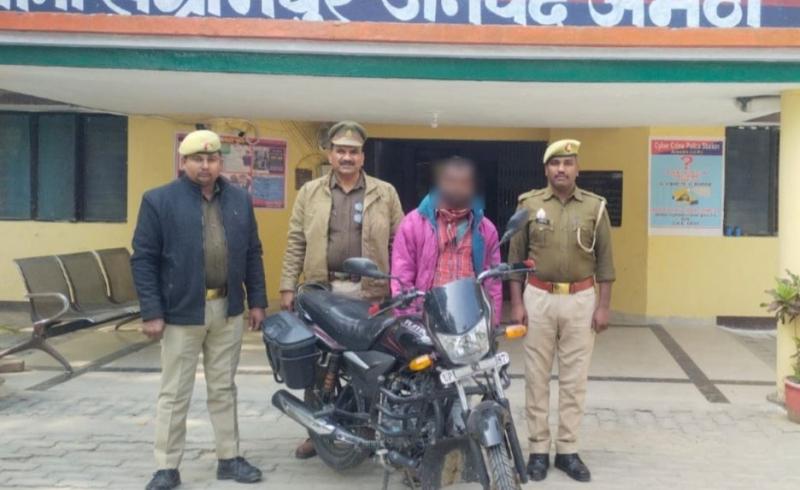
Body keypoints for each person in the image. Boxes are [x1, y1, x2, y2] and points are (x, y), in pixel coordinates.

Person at [132, 130, 267, 490]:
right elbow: (143, 260)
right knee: (175, 392)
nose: (205, 166)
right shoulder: (159, 200)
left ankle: (229, 458)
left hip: (228, 309)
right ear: (184, 162)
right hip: (180, 313)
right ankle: (166, 467)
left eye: (211, 159)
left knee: (224, 388)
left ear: (221, 162)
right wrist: (151, 311)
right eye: (197, 159)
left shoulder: (239, 199)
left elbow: (253, 252)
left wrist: (257, 301)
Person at [279, 120, 404, 459]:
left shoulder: (385, 193)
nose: (347, 157)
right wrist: (288, 286)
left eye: (353, 151)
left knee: (370, 365)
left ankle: (365, 428)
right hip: (322, 290)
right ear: (330, 154)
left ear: (363, 156)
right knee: (321, 366)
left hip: (370, 293)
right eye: (340, 151)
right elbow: (296, 241)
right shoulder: (310, 192)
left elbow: (400, 243)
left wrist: (399, 288)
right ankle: (315, 431)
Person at [507, 139, 615, 483]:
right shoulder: (529, 204)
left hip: (582, 300)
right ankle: (538, 450)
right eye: (555, 163)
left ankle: (568, 450)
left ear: (577, 169)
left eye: (568, 163)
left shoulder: (595, 207)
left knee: (574, 379)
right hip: (538, 297)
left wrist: (603, 306)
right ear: (546, 170)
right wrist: (516, 303)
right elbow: (515, 260)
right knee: (536, 377)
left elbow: (606, 262)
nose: (561, 169)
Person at [390, 156, 502, 320]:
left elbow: (492, 282)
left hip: (470, 319)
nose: (457, 188)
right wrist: (409, 320)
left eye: (464, 183)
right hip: (425, 318)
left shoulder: (486, 229)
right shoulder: (413, 224)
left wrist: (492, 322)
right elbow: (402, 278)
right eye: (450, 181)